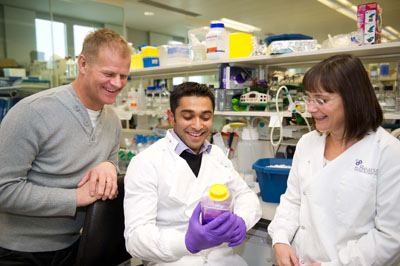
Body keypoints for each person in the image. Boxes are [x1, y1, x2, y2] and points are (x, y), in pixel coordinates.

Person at [0, 28, 131, 265]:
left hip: (76, 245)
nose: (117, 83)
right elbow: (4, 189)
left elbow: (110, 161)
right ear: (83, 64)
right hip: (20, 252)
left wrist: (109, 165)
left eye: (123, 76)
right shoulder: (32, 112)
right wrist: (75, 197)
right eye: (109, 73)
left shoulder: (112, 120)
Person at [268, 54, 400, 266]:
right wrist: (280, 240)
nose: (310, 108)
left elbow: (390, 235)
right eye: (309, 98)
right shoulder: (307, 143)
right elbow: (293, 201)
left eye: (321, 100)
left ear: (352, 98)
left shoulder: (387, 152)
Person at [124, 82, 262, 266]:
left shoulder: (217, 155)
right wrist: (187, 242)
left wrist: (242, 220)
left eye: (205, 117)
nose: (197, 126)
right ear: (171, 117)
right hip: (176, 261)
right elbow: (135, 239)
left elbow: (246, 195)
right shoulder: (146, 163)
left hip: (224, 260)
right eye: (188, 117)